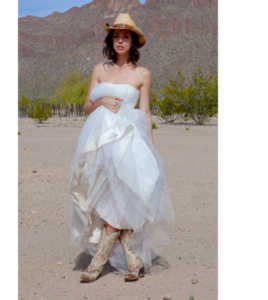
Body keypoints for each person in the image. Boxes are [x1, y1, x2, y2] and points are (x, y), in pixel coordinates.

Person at [67, 13, 175, 283]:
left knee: (125, 198)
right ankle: (133, 262)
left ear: (133, 42)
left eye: (125, 37)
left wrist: (151, 147)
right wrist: (102, 99)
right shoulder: (100, 70)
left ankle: (97, 263)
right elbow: (87, 108)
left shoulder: (142, 74)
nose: (120, 41)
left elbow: (146, 112)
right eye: (116, 36)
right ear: (111, 40)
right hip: (100, 141)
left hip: (129, 142)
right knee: (105, 199)